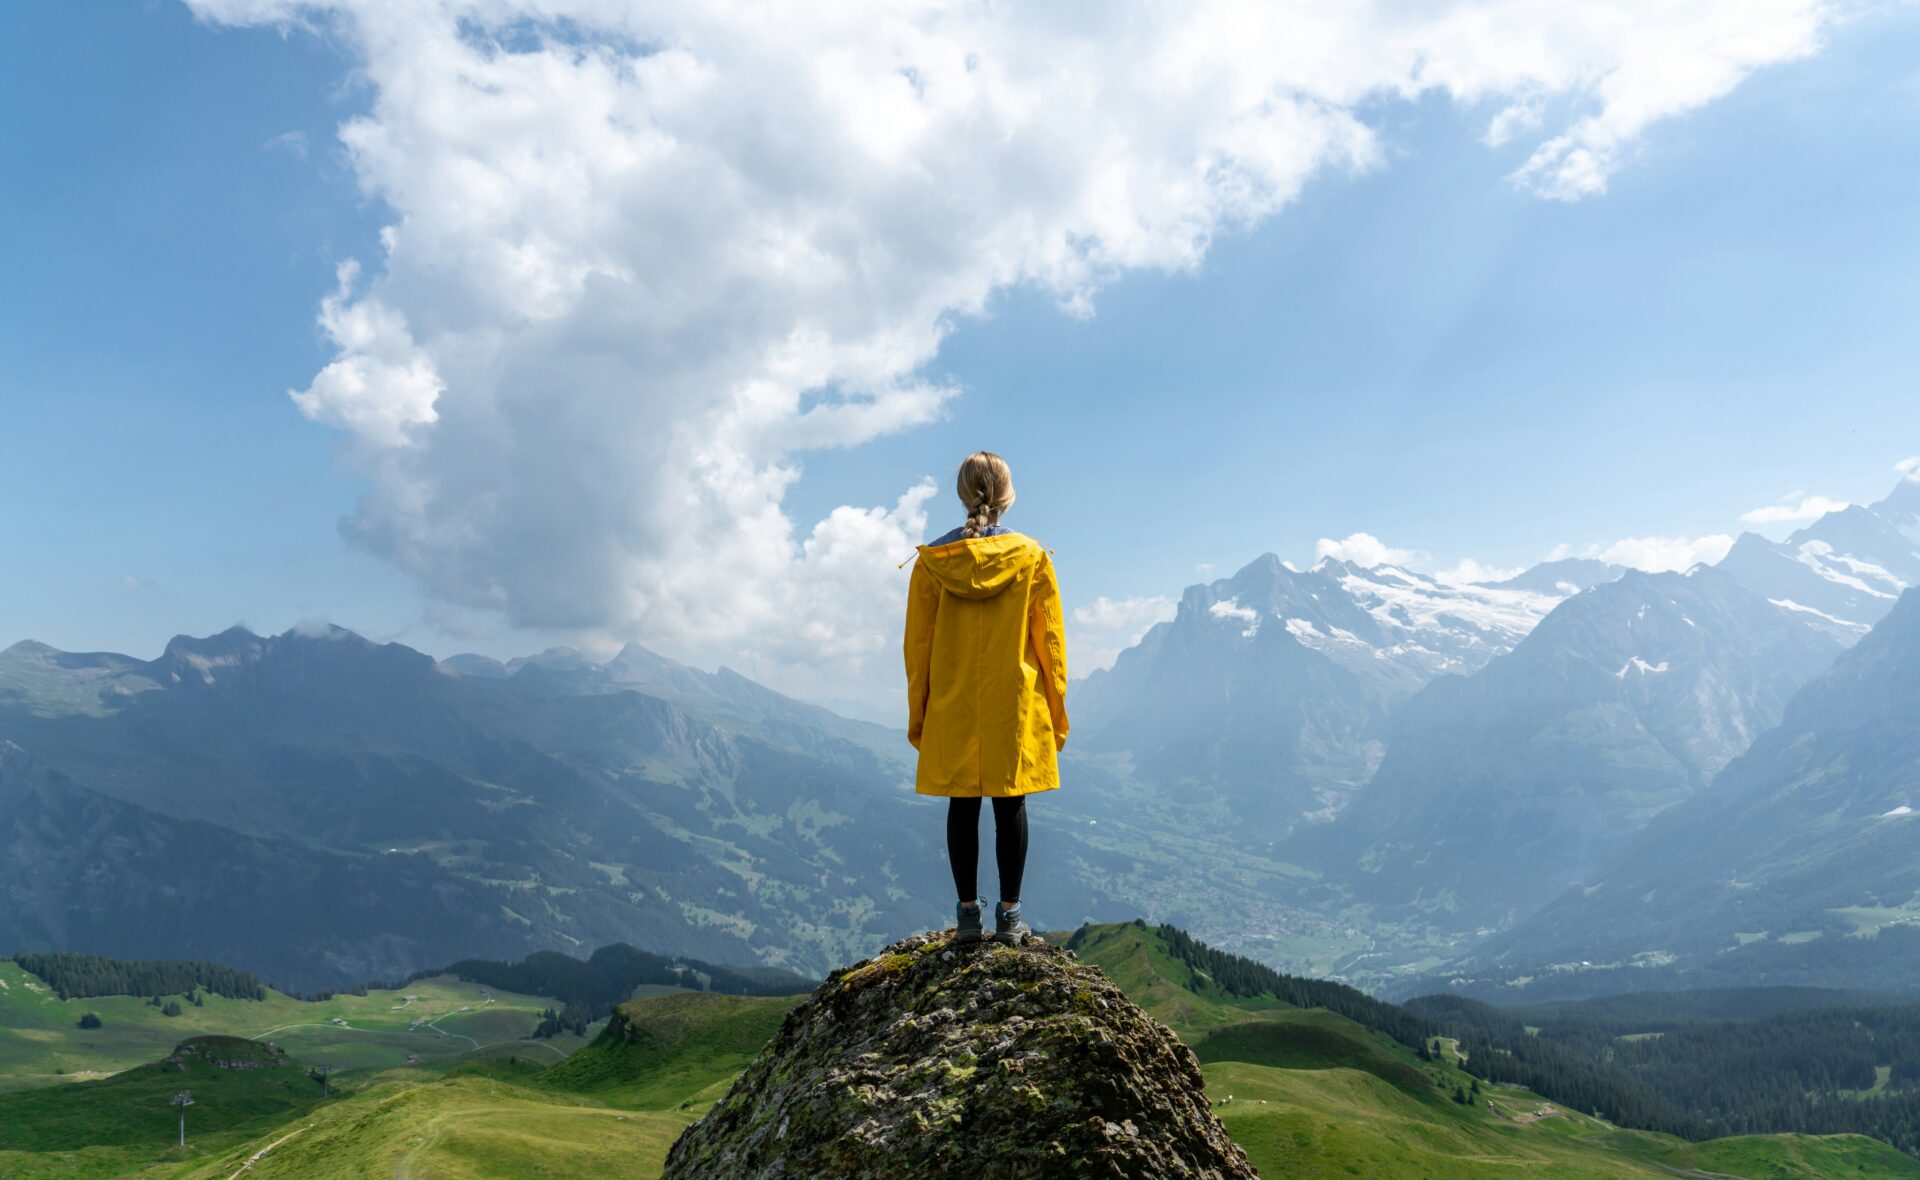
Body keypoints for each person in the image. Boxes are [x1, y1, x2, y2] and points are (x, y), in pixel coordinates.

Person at [903, 451, 1070, 945]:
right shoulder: (1032, 557)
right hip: (1013, 702)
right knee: (1009, 802)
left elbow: (918, 647)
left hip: (953, 699)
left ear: (963, 494)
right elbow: (1051, 647)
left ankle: (967, 919)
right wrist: (1056, 712)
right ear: (1006, 495)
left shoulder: (933, 564)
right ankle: (1011, 917)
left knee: (962, 802)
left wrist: (921, 713)